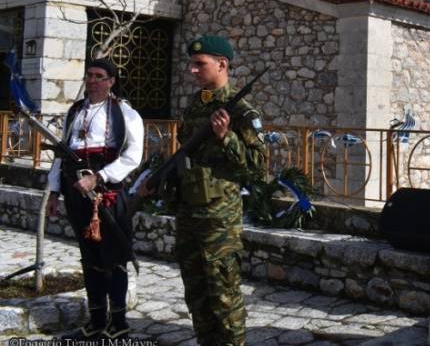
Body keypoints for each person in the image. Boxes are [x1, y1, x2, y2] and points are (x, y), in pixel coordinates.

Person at [147, 35, 266, 346]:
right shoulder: (195, 106)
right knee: (196, 292)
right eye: (192, 64)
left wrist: (226, 136)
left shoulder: (240, 111)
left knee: (223, 294)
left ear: (222, 64)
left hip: (218, 218)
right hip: (189, 211)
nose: (192, 70)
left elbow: (258, 167)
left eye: (200, 64)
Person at [47, 58, 144, 342]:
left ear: (111, 81)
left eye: (99, 76)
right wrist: (54, 191)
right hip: (77, 196)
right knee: (89, 259)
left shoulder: (124, 112)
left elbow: (132, 157)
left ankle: (118, 326)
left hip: (109, 197)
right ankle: (97, 322)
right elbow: (62, 155)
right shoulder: (75, 111)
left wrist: (99, 177)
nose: (92, 80)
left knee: (114, 260)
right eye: (89, 75)